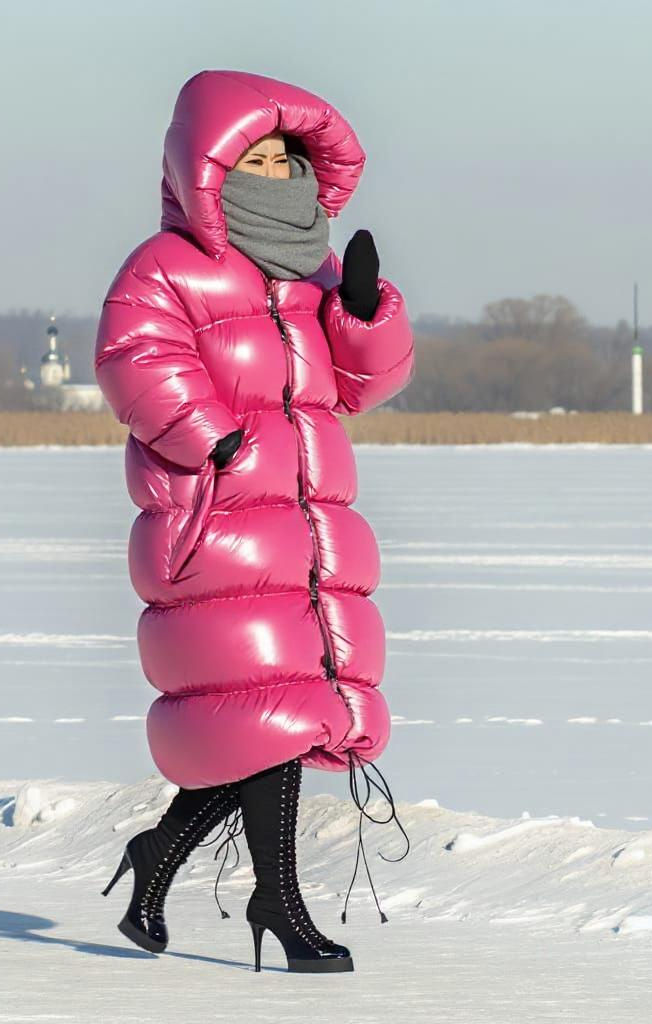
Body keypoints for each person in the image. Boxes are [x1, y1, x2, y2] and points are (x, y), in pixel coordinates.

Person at [94, 69, 415, 974]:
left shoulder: (309, 275)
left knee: (283, 714)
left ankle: (160, 861)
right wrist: (215, 442)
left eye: (289, 160)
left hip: (307, 530)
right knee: (273, 710)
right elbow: (133, 357)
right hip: (217, 522)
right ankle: (279, 903)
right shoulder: (166, 268)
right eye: (256, 159)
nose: (276, 175)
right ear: (210, 167)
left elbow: (359, 389)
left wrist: (360, 316)